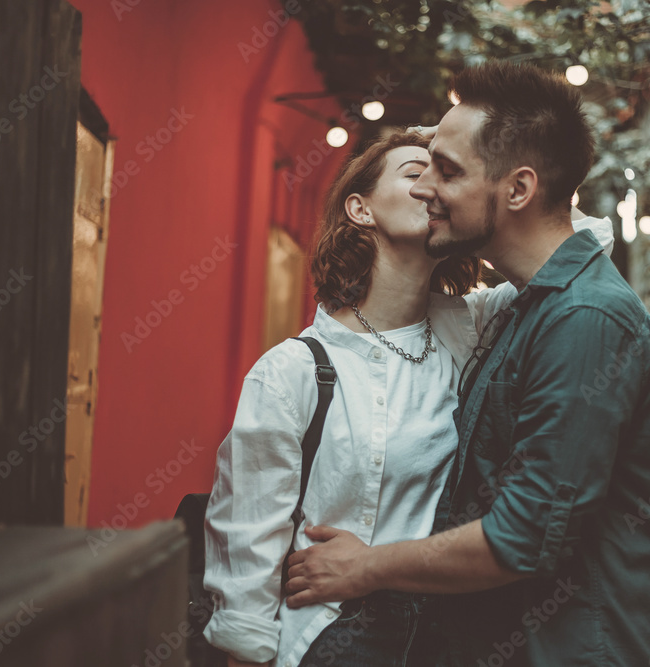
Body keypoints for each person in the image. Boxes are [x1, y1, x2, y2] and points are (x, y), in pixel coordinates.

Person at [284, 61, 650, 666]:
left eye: (447, 170)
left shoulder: (584, 320)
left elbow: (522, 538)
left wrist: (366, 566)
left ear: (518, 190)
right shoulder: (522, 311)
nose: (424, 189)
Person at [202, 130, 615, 667]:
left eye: (445, 175)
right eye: (417, 171)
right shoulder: (292, 371)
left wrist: (476, 161)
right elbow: (248, 543)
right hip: (332, 637)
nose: (434, 187)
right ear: (360, 209)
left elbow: (584, 243)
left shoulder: (472, 328)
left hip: (448, 638)